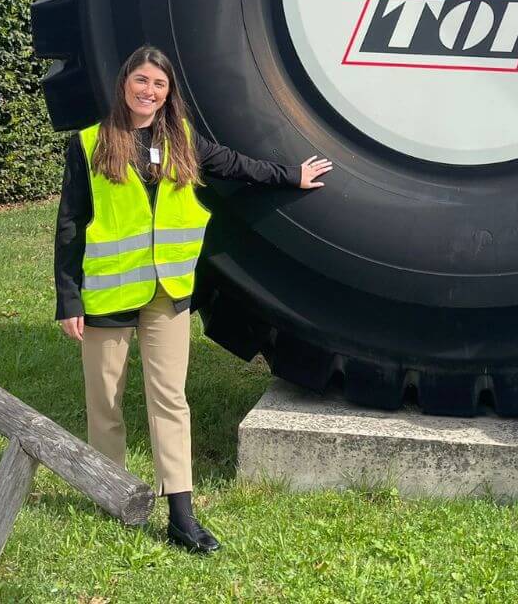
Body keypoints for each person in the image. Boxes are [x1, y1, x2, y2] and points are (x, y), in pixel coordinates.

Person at [54, 45, 332, 553]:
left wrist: (290, 175)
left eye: (158, 84)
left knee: (170, 400)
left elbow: (233, 165)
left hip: (169, 292)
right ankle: (113, 498)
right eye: (141, 80)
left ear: (167, 93)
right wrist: (68, 299)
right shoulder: (91, 142)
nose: (149, 91)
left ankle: (181, 516)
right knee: (105, 403)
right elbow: (70, 223)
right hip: (107, 295)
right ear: (124, 84)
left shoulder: (181, 138)